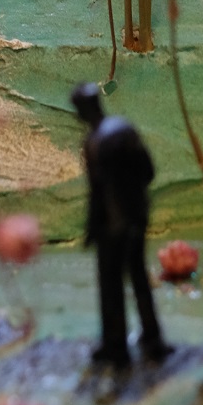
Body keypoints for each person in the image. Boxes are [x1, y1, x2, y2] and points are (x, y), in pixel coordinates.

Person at [71, 83, 169, 369]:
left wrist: (93, 228)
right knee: (138, 276)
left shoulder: (93, 143)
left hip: (112, 224)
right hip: (136, 216)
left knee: (111, 283)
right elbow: (148, 172)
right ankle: (152, 337)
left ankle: (115, 345)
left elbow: (97, 193)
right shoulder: (125, 129)